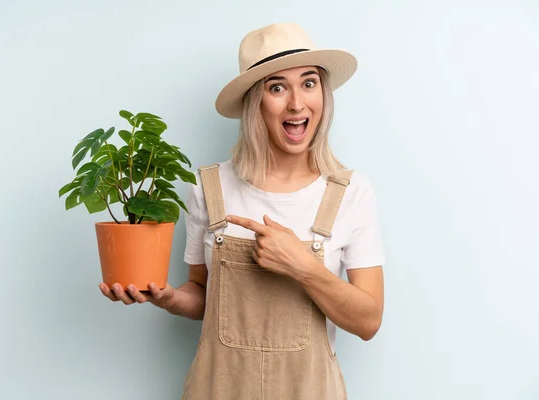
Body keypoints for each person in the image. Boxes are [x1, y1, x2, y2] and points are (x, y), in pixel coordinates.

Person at [99, 22, 385, 399]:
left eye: (309, 83)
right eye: (277, 87)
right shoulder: (209, 187)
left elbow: (368, 321)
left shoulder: (349, 192)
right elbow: (204, 296)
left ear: (323, 94)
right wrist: (169, 298)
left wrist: (302, 266)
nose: (297, 103)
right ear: (255, 101)